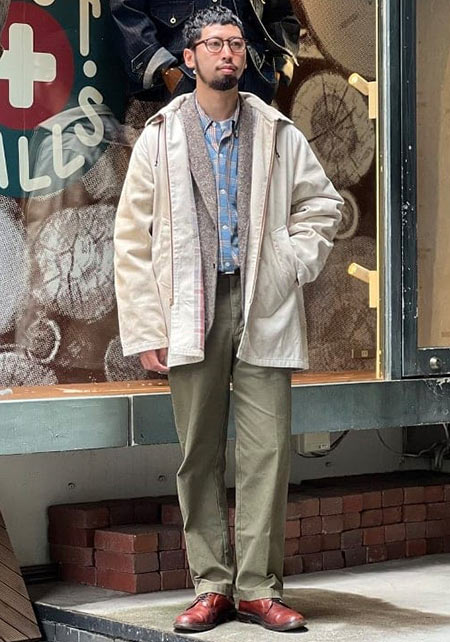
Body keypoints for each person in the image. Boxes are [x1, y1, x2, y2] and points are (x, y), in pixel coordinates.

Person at [114, 6, 343, 633]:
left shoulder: (275, 129)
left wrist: (288, 262)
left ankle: (259, 590)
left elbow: (322, 206)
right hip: (192, 305)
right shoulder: (161, 136)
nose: (227, 54)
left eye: (236, 44)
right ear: (189, 58)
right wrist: (147, 326)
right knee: (199, 452)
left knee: (267, 451)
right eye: (214, 44)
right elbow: (131, 238)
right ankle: (211, 585)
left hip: (262, 300)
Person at [110, 0, 300, 103]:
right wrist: (165, 71)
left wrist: (280, 66)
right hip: (183, 83)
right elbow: (127, 11)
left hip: (252, 83)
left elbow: (281, 12)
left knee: (254, 161)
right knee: (185, 161)